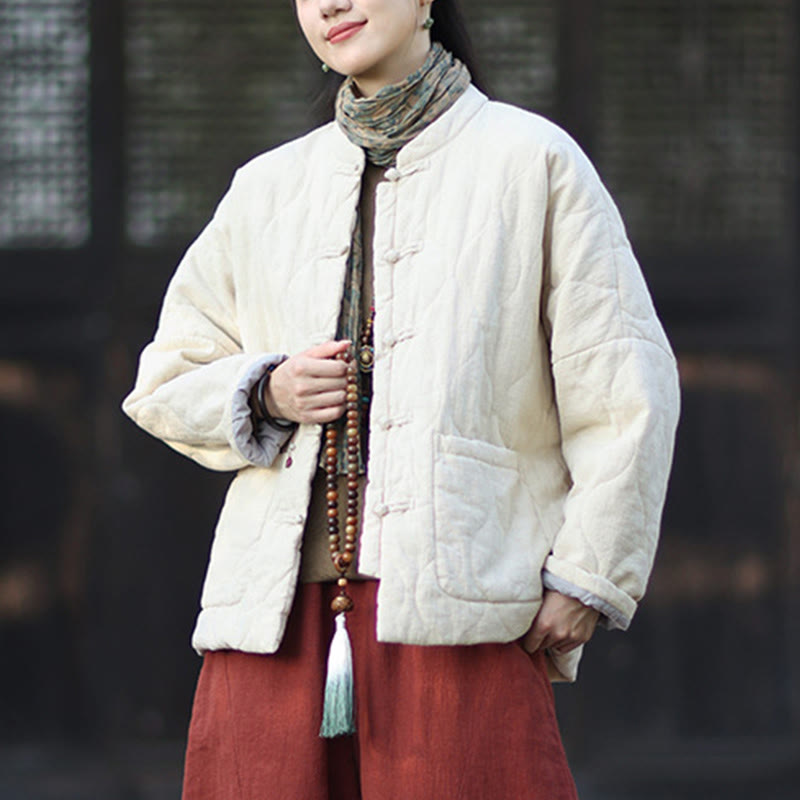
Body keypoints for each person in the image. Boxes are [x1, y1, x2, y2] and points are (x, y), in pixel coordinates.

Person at [122, 1, 680, 797]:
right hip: (272, 622)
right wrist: (268, 389)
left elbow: (624, 387)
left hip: (462, 612)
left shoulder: (531, 161)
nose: (330, 5)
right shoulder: (266, 189)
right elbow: (165, 380)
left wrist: (589, 574)